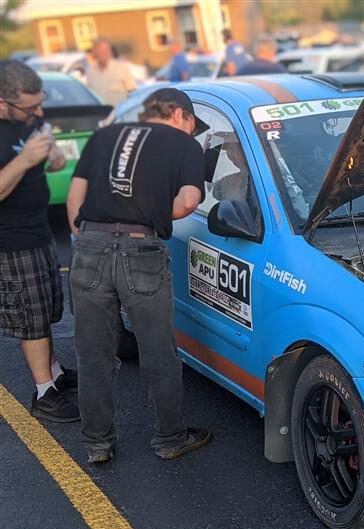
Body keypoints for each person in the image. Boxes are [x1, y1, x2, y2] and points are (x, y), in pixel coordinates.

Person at [65, 87, 210, 463]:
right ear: (181, 115)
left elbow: (74, 198)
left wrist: (87, 240)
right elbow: (190, 201)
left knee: (93, 353)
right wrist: (151, 214)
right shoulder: (185, 145)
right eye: (192, 125)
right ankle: (170, 439)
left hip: (89, 248)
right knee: (158, 350)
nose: (192, 133)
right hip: (141, 250)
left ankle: (97, 444)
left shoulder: (104, 136)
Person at [0, 61, 79, 422]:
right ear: (3, 102)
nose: (39, 112)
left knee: (47, 309)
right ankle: (44, 392)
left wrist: (50, 156)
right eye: (31, 107)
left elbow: (41, 157)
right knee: (30, 318)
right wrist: (23, 160)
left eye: (40, 103)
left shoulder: (26, 120)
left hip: (39, 231)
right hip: (11, 242)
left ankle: (56, 374)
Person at [85, 38, 137, 106]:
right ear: (95, 52)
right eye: (101, 51)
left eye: (107, 50)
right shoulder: (90, 71)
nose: (105, 53)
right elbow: (90, 94)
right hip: (101, 112)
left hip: (118, 112)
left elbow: (132, 91)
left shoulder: (121, 68)